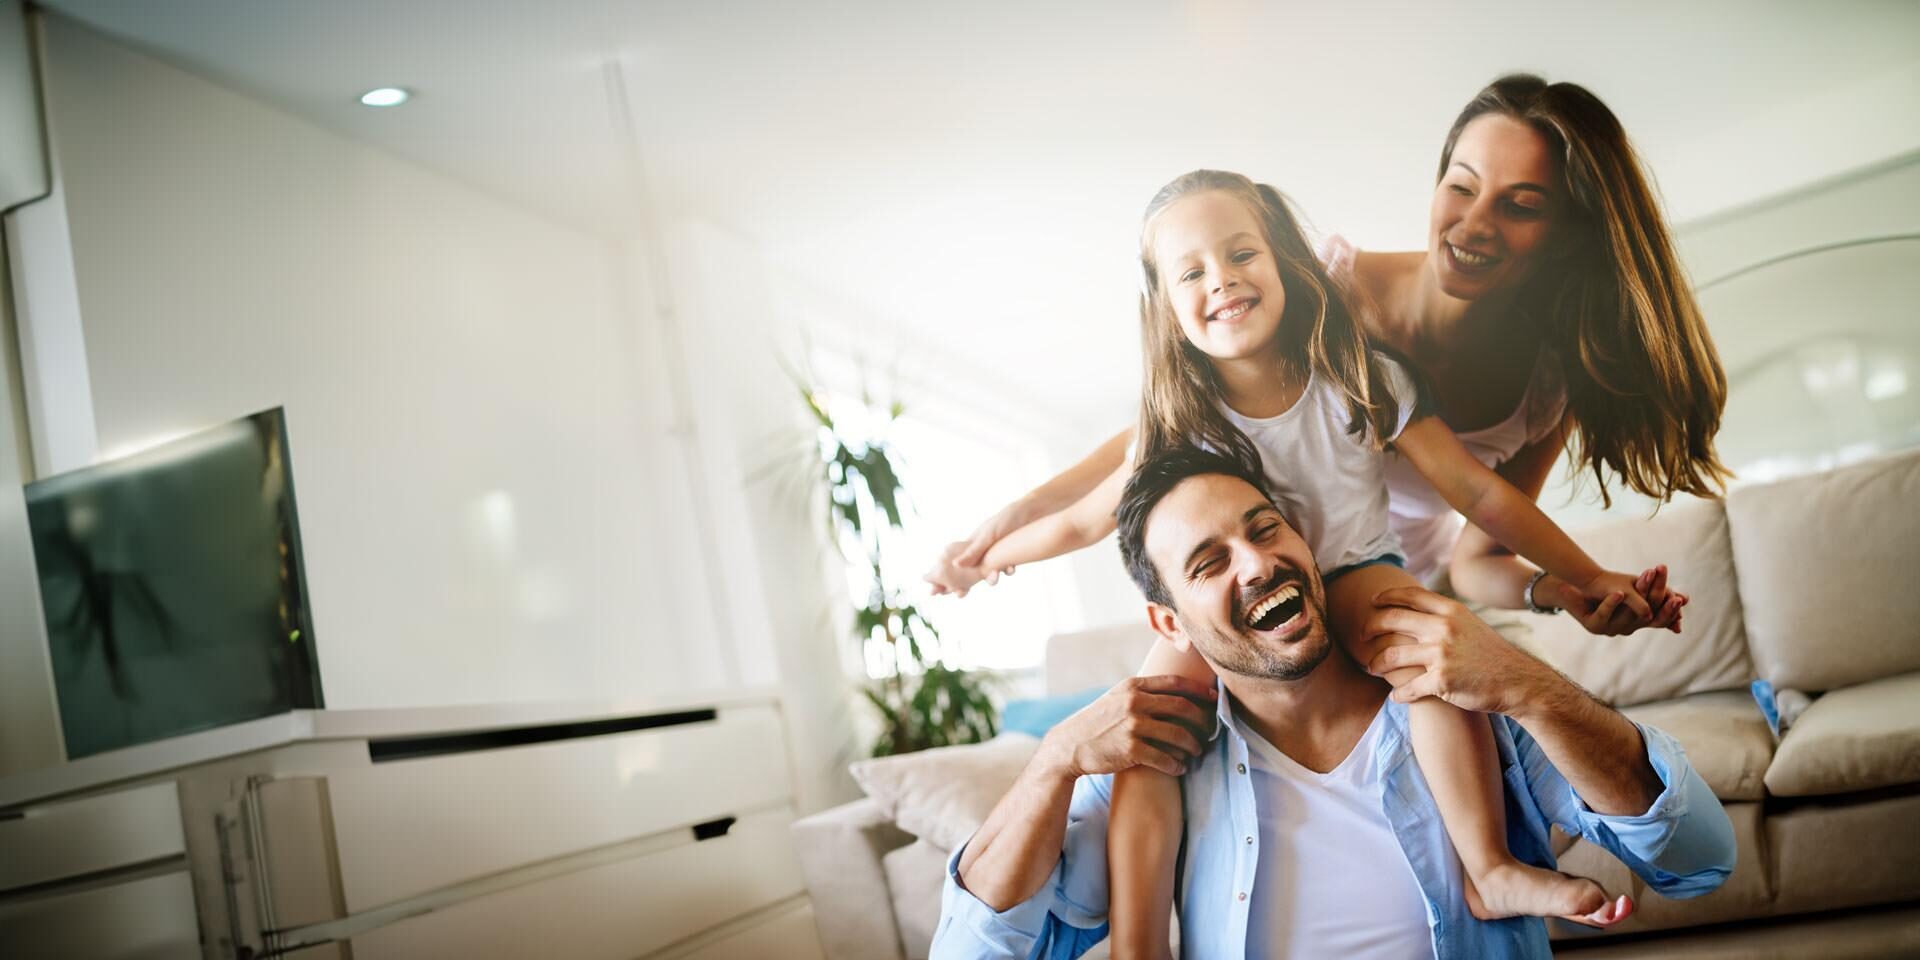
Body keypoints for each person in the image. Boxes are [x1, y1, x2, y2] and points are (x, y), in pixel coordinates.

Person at [925, 168, 1680, 955]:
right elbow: (1082, 520)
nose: (1223, 280)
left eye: (1242, 253)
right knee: (1149, 728)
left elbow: (1482, 497)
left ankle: (1486, 866)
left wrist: (1588, 577)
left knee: (1433, 649)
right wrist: (989, 557)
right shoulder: (1180, 420)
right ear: (1166, 308)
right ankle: (1138, 943)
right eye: (1192, 272)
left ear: (1284, 260)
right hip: (1233, 610)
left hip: (1355, 573)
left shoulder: (1358, 375)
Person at [936, 73, 1727, 633]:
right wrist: (1012, 525)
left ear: (1564, 237)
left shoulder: (1515, 389)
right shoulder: (1321, 307)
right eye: (1461, 185)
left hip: (1385, 587)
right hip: (1263, 605)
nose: (1475, 223)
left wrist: (1575, 586)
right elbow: (1143, 452)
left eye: (1520, 206)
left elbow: (1482, 531)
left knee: (1463, 692)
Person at [929, 447, 1735, 959]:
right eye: (1210, 563)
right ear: (1168, 623)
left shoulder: (1459, 703)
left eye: (1266, 529)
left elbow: (1699, 860)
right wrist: (1051, 765)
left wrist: (1529, 686)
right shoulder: (1158, 764)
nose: (1257, 564)